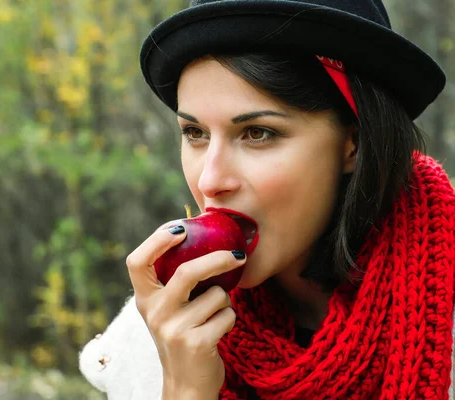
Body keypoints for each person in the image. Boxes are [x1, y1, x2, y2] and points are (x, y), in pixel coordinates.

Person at [79, 0, 455, 398]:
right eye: (195, 133)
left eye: (257, 133)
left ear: (355, 143)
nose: (210, 180)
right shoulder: (156, 337)